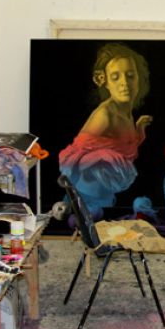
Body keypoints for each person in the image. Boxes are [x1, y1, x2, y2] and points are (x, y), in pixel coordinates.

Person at [59, 43, 153, 219]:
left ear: (139, 79)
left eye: (130, 75)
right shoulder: (104, 116)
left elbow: (122, 148)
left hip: (106, 199)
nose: (124, 83)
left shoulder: (126, 112)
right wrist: (101, 155)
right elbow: (68, 162)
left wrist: (139, 129)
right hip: (85, 200)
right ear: (106, 82)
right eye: (115, 77)